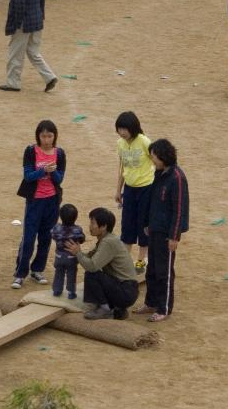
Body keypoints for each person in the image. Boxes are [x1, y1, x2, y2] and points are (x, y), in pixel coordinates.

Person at [138, 138, 188, 322]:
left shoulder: (177, 178)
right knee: (151, 269)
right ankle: (150, 302)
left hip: (167, 234)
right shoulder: (159, 174)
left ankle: (164, 307)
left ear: (163, 156)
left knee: (164, 271)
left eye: (154, 157)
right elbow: (153, 202)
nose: (152, 160)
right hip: (154, 230)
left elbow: (179, 209)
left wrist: (174, 236)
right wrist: (147, 223)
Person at [12, 120, 65, 289]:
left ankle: (37, 270)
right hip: (35, 200)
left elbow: (59, 179)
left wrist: (53, 171)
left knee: (46, 237)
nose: (47, 139)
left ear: (54, 136)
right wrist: (44, 170)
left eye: (50, 136)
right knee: (28, 237)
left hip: (52, 201)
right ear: (38, 136)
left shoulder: (60, 153)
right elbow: (28, 176)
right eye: (43, 136)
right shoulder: (31, 151)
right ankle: (20, 273)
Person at [0, 0, 57, 93]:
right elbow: (41, 2)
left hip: (23, 24)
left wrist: (13, 27)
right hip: (36, 22)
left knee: (15, 54)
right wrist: (41, 17)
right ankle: (49, 76)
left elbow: (18, 8)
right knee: (33, 52)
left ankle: (13, 82)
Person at [67, 206, 139, 320]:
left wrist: (78, 254)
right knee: (96, 273)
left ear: (104, 226)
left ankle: (104, 309)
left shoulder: (108, 242)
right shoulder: (105, 239)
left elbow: (92, 266)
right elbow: (89, 256)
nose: (90, 226)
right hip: (126, 289)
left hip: (126, 291)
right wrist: (77, 252)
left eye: (93, 223)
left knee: (92, 274)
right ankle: (117, 310)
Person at [113, 111, 153, 271]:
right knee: (127, 224)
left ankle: (141, 260)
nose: (122, 132)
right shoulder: (120, 143)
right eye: (119, 129)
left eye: (125, 129)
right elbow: (122, 166)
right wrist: (118, 190)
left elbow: (155, 160)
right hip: (129, 189)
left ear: (133, 128)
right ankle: (125, 261)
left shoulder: (144, 141)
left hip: (146, 188)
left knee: (143, 224)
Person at [48, 202, 85, 299]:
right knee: (71, 274)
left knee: (58, 273)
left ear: (61, 216)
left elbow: (52, 235)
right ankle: (71, 292)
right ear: (75, 217)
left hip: (59, 256)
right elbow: (82, 240)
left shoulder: (57, 228)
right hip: (72, 257)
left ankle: (57, 290)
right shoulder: (77, 229)